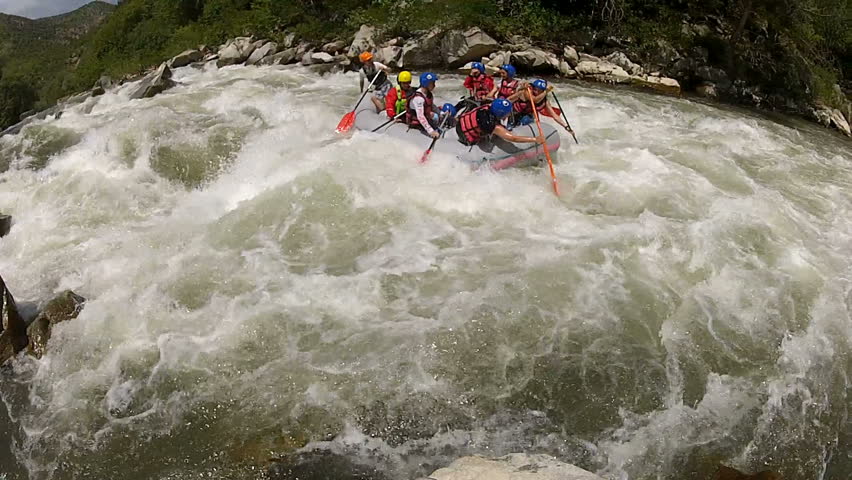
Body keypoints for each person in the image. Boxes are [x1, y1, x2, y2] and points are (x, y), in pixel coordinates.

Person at [456, 98, 546, 147]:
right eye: (508, 113)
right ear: (501, 114)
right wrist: (534, 139)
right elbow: (513, 138)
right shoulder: (494, 126)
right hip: (465, 136)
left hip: (460, 125)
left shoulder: (488, 106)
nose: (509, 115)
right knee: (494, 137)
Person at [406, 72, 442, 139]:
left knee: (437, 117)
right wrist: (431, 131)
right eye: (432, 83)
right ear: (426, 83)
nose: (434, 85)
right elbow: (420, 117)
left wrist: (440, 113)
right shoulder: (418, 98)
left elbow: (431, 105)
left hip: (426, 120)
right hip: (416, 125)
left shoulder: (428, 94)